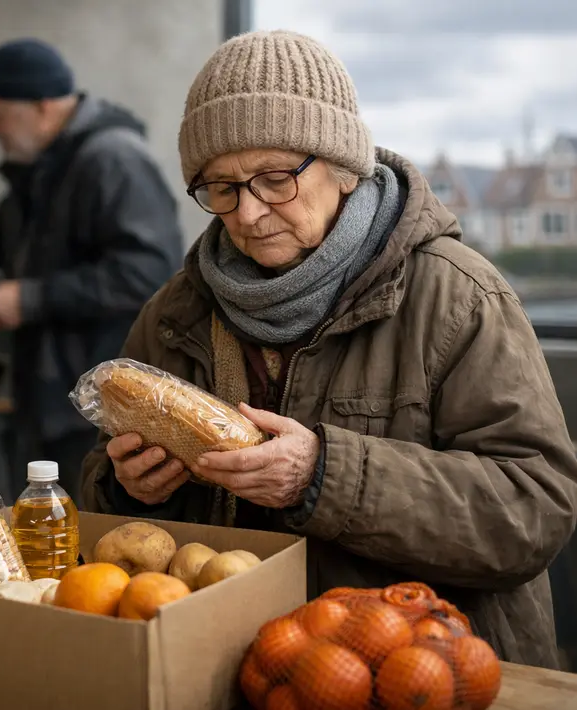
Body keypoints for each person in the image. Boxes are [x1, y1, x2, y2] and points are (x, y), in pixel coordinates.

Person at [81, 30, 577, 669]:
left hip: (422, 669)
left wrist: (322, 475)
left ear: (342, 166)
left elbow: (534, 509)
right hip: (231, 670)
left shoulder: (458, 296)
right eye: (221, 187)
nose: (249, 212)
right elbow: (102, 496)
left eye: (275, 178)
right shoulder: (176, 311)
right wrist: (128, 492)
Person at [0, 39, 184, 502]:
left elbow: (149, 271)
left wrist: (29, 299)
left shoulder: (113, 160)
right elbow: (13, 222)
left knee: (82, 536)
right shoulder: (50, 161)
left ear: (43, 107)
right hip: (50, 393)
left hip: (94, 407)